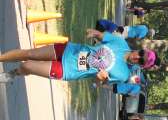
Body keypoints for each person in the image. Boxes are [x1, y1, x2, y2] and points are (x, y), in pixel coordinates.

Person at [0, 29, 157, 84]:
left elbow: (97, 83)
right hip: (70, 50)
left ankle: (12, 74)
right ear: (140, 49)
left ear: (140, 65)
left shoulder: (123, 75)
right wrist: (94, 33)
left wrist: (99, 79)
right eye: (141, 54)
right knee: (30, 54)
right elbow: (102, 36)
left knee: (27, 65)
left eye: (141, 61)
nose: (138, 57)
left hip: (69, 70)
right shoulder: (120, 43)